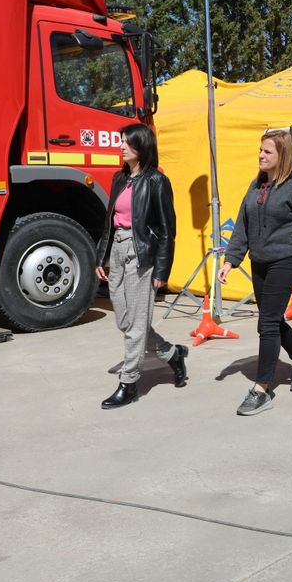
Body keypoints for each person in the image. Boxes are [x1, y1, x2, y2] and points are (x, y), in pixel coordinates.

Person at [218, 130, 292, 416]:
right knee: (272, 320)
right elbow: (242, 224)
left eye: (268, 152)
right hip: (260, 261)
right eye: (260, 150)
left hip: (287, 259)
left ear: (283, 156)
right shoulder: (256, 185)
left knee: (266, 323)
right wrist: (231, 260)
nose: (261, 156)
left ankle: (262, 388)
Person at [95, 123, 188, 409]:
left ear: (141, 147)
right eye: (121, 141)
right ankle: (172, 354)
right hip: (119, 251)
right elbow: (110, 220)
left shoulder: (157, 182)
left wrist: (162, 270)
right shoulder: (119, 178)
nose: (121, 146)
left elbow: (165, 229)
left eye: (126, 142)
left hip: (142, 254)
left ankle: (129, 383)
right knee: (126, 321)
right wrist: (103, 256)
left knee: (136, 325)